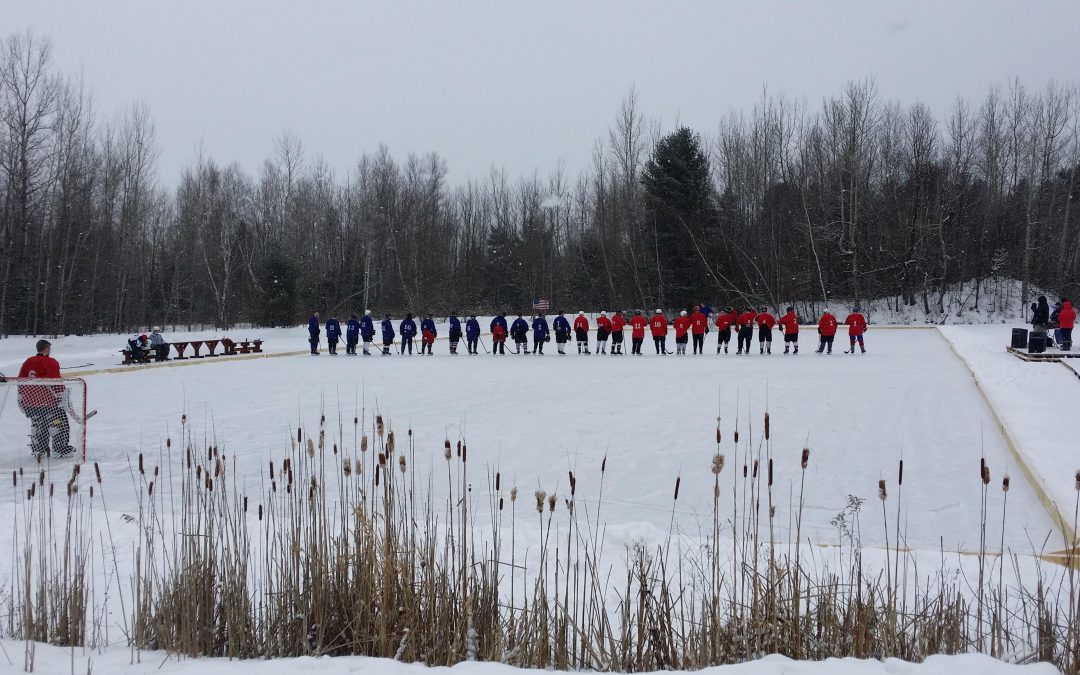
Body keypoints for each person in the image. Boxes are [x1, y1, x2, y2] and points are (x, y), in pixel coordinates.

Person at [17, 340, 75, 458]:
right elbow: (55, 381)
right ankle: (60, 449)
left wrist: (22, 398)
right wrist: (62, 396)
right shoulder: (50, 362)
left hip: (30, 403)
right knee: (58, 421)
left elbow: (20, 381)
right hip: (48, 402)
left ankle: (39, 449)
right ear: (47, 348)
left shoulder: (28, 361)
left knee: (39, 422)